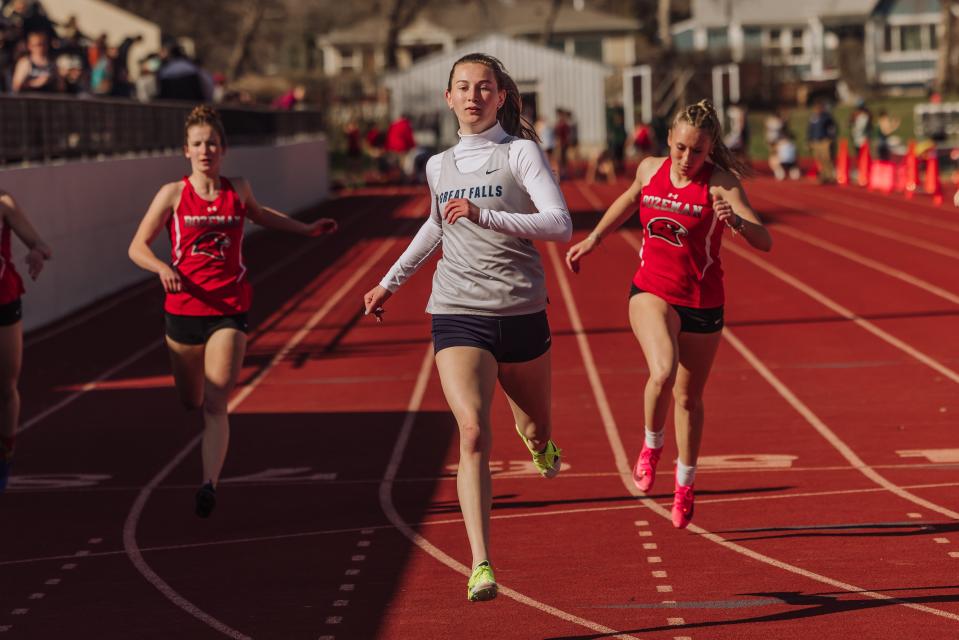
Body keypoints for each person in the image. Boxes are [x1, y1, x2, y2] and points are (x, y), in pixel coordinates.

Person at [362, 53, 571, 601]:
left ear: (502, 97)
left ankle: (542, 445)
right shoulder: (437, 166)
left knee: (534, 429)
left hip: (522, 313)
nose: (474, 96)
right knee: (473, 431)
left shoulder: (520, 152)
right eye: (463, 87)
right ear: (447, 98)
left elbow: (559, 224)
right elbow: (434, 227)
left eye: (485, 87)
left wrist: (486, 216)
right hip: (457, 312)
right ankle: (481, 563)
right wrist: (390, 282)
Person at [565, 99, 772, 529]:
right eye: (680, 148)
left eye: (696, 152)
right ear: (669, 141)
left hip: (702, 302)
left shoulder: (722, 184)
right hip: (651, 290)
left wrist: (735, 221)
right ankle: (651, 445)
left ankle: (685, 483)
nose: (685, 159)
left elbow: (764, 240)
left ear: (711, 148)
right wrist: (594, 239)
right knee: (662, 370)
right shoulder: (650, 168)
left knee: (688, 398)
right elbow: (626, 201)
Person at [128, 106, 337, 517]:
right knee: (192, 399)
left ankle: (209, 483)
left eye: (212, 143)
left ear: (223, 149)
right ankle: (201, 423)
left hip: (229, 306)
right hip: (183, 310)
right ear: (186, 150)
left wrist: (306, 229)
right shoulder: (172, 194)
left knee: (216, 400)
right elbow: (136, 247)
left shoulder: (236, 189)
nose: (205, 150)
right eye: (198, 144)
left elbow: (262, 216)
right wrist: (161, 268)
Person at [0, 191, 52, 492]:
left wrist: (37, 253)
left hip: (3, 300)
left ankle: (4, 457)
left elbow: (41, 245)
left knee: (5, 386)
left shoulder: (4, 204)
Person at [807, 101, 837, 184]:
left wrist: (831, 138)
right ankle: (823, 176)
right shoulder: (813, 117)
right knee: (819, 159)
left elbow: (832, 128)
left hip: (824, 140)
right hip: (815, 141)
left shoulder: (827, 117)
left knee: (827, 159)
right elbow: (810, 129)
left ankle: (830, 176)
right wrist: (809, 139)